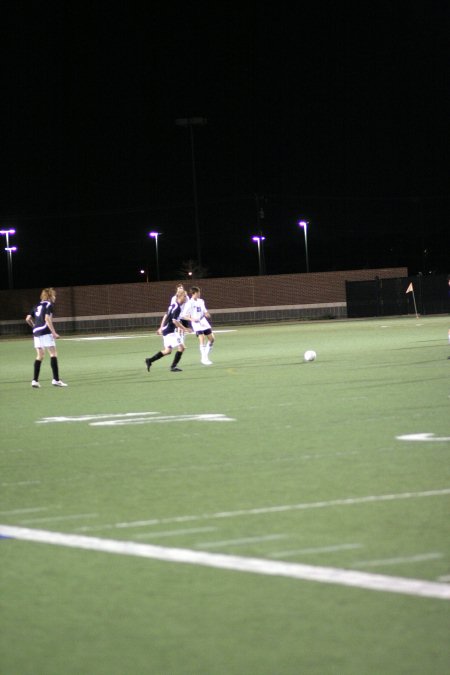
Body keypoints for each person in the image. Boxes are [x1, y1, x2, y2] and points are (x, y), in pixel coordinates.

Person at [25, 287, 68, 388]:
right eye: (54, 295)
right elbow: (47, 319)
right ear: (50, 296)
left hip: (36, 333)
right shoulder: (49, 305)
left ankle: (35, 381)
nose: (55, 297)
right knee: (53, 354)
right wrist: (54, 333)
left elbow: (27, 319)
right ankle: (56, 380)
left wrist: (34, 326)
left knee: (40, 356)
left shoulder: (36, 305)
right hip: (45, 331)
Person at [145, 289, 188, 373]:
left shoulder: (173, 305)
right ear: (180, 296)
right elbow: (174, 321)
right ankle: (173, 366)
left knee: (167, 351)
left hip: (166, 330)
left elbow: (165, 316)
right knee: (181, 347)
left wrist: (161, 327)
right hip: (169, 331)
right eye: (185, 296)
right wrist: (184, 328)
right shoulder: (177, 308)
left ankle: (149, 360)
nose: (186, 298)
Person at [186, 286, 215, 365]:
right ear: (194, 293)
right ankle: (204, 358)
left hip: (203, 321)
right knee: (202, 339)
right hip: (196, 323)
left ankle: (205, 356)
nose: (199, 294)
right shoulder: (189, 303)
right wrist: (192, 319)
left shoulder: (201, 301)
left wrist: (207, 314)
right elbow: (185, 315)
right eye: (198, 292)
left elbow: (204, 310)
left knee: (212, 339)